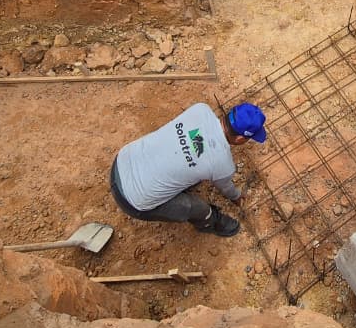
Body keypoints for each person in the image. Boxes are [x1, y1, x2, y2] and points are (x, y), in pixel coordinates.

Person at [110, 102, 267, 237]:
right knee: (195, 207)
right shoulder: (223, 164)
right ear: (240, 139)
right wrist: (237, 197)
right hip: (133, 201)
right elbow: (227, 189)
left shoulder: (201, 109)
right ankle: (209, 222)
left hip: (123, 160)